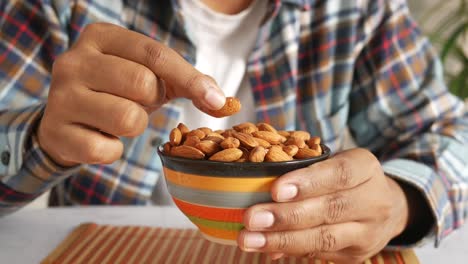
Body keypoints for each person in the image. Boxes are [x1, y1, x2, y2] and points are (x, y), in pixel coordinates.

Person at [0, 0, 466, 262]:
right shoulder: (64, 5)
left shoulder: (359, 8)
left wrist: (402, 200)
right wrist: (42, 138)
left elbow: (452, 133)